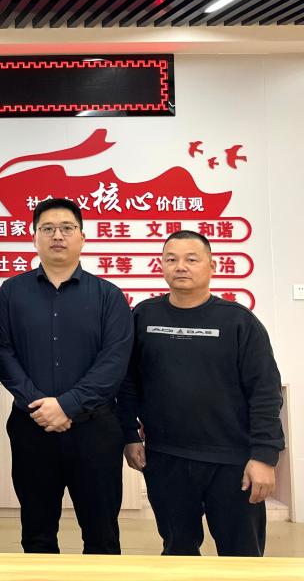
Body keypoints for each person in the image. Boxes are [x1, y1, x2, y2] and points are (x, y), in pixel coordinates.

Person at [117, 230, 284, 557]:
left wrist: (264, 456)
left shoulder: (239, 321)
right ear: (161, 266)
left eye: (191, 259)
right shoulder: (143, 317)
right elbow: (127, 382)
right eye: (171, 259)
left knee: (242, 556)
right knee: (178, 551)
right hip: (166, 457)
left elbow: (264, 392)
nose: (180, 266)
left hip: (232, 461)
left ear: (212, 266)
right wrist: (129, 435)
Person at [0, 197, 132, 554]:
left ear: (82, 237)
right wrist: (41, 405)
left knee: (102, 536)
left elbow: (114, 363)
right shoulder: (11, 293)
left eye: (67, 228)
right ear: (34, 237)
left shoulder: (109, 296)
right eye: (48, 228)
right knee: (37, 535)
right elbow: (2, 353)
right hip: (32, 428)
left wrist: (67, 405)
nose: (58, 235)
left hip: (95, 432)